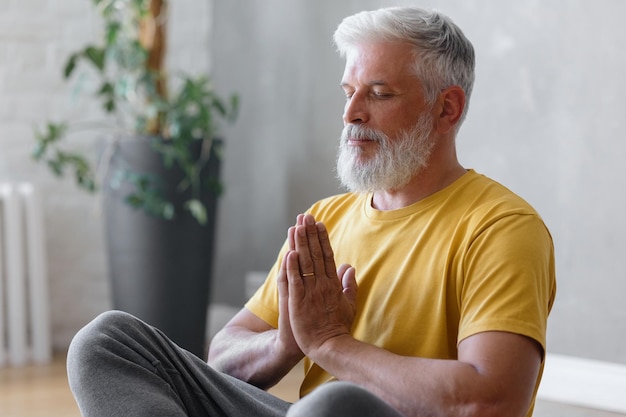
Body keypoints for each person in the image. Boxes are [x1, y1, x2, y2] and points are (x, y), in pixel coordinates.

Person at [67, 6, 556, 417]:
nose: (351, 114)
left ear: (447, 109)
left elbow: (492, 400)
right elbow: (224, 355)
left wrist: (332, 345)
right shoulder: (327, 219)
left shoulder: (501, 227)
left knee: (337, 403)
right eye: (349, 93)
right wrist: (287, 342)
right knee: (105, 341)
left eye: (380, 93)